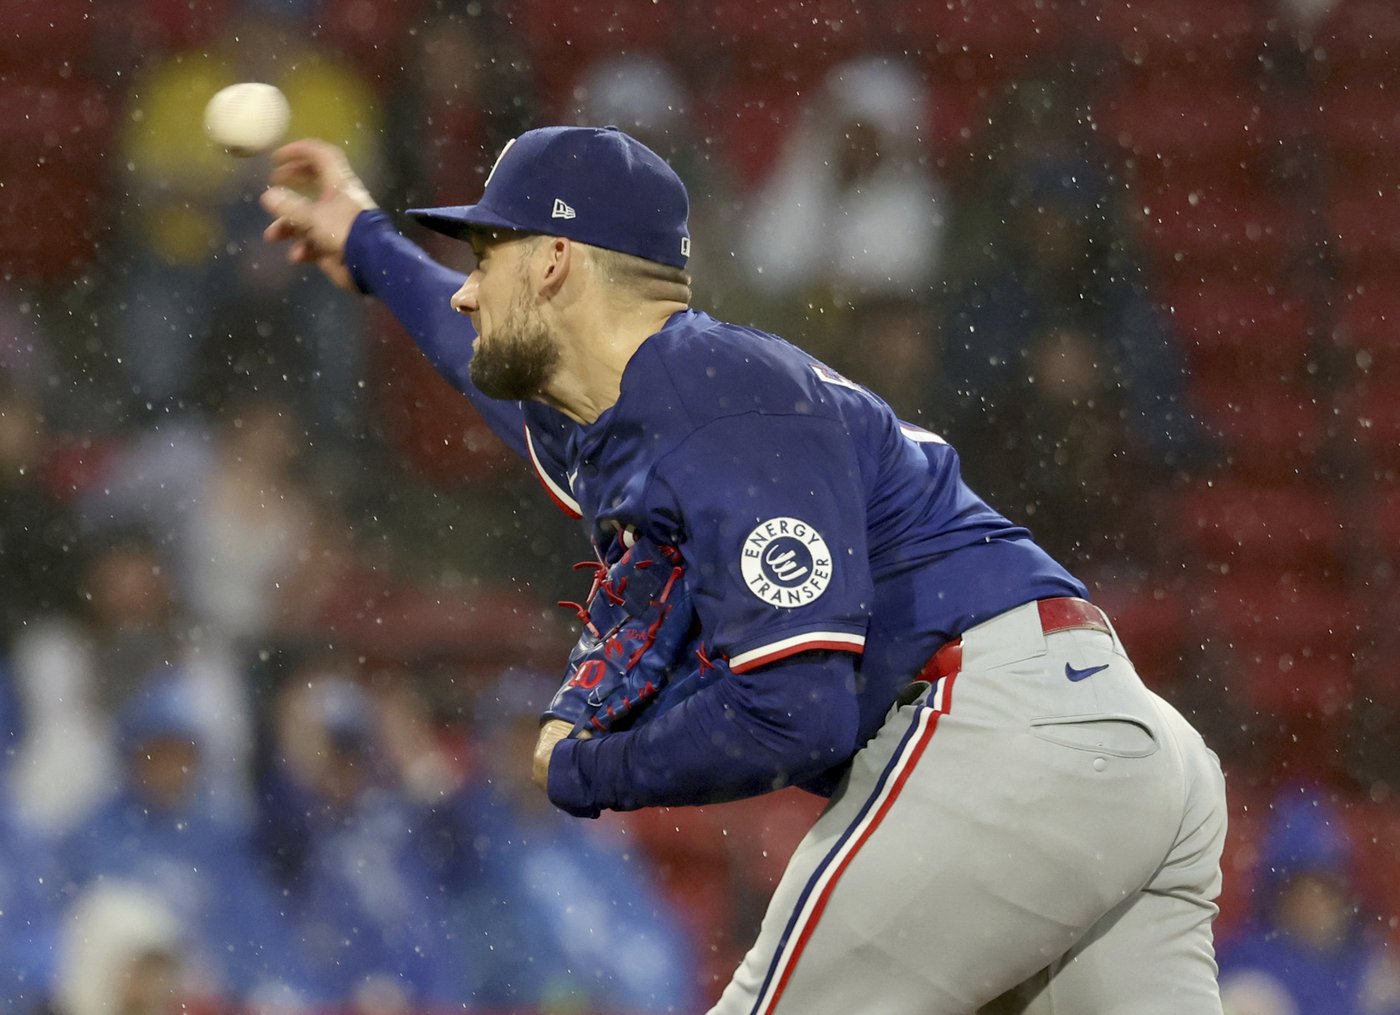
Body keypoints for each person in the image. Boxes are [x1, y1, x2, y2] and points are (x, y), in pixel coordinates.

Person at [259, 125, 1228, 1012]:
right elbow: (483, 368)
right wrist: (365, 245)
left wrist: (589, 764)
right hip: (1109, 744)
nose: (467, 288)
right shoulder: (656, 401)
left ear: (553, 262)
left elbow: (794, 713)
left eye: (486, 256)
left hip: (997, 730)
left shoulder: (719, 407)